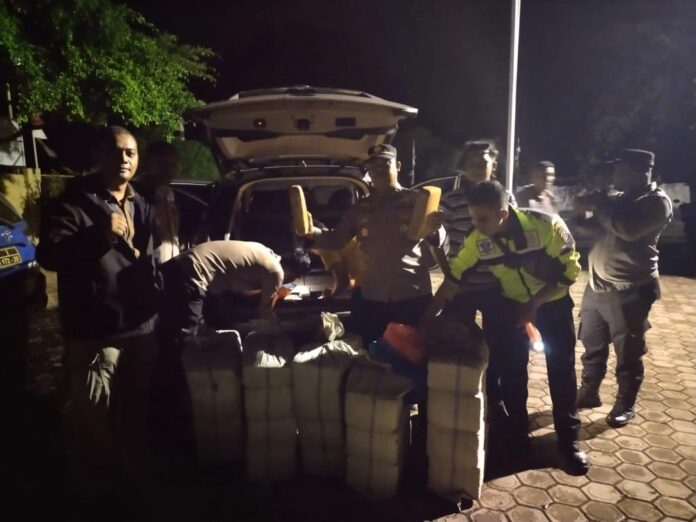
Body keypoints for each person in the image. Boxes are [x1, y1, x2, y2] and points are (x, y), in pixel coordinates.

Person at [432, 180, 588, 474]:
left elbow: (571, 271)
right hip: (513, 309)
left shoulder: (547, 226)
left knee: (561, 371)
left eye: (482, 219)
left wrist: (536, 302)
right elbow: (454, 277)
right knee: (513, 374)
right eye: (473, 218)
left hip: (554, 306)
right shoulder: (478, 240)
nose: (476, 226)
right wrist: (428, 315)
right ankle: (517, 439)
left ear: (503, 213)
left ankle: (569, 442)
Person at [37, 126, 159, 486]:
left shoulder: (141, 200)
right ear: (99, 156)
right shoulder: (73, 202)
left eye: (131, 153)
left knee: (136, 407)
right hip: (96, 331)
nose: (124, 159)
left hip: (141, 327)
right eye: (116, 151)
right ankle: (100, 487)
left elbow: (148, 258)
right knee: (94, 416)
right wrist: (98, 235)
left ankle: (134, 475)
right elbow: (50, 256)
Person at [304, 144, 443, 345]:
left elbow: (438, 240)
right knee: (373, 353)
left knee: (413, 353)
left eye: (385, 164)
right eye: (372, 165)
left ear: (398, 165)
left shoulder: (416, 201)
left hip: (411, 295)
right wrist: (311, 233)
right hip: (372, 297)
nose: (378, 169)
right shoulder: (360, 207)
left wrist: (435, 230)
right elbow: (336, 239)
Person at [574, 149, 672, 428]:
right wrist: (581, 213)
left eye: (621, 171)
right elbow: (592, 229)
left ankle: (625, 404)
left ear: (642, 172)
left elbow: (627, 230)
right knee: (592, 342)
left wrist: (601, 204)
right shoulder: (617, 200)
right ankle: (589, 391)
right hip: (597, 285)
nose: (615, 176)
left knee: (628, 350)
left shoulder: (656, 202)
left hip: (630, 288)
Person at [438, 140, 516, 431]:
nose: (476, 167)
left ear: (493, 166)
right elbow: (436, 238)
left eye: (482, 162)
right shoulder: (451, 200)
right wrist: (449, 276)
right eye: (471, 162)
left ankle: (495, 400)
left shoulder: (505, 197)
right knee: (457, 343)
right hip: (461, 288)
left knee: (498, 346)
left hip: (496, 287)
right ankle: (459, 393)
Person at [135, 141, 181, 264]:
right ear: (147, 165)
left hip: (171, 266)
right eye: (162, 163)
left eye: (172, 164)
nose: (168, 169)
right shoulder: (136, 196)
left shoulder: (171, 195)